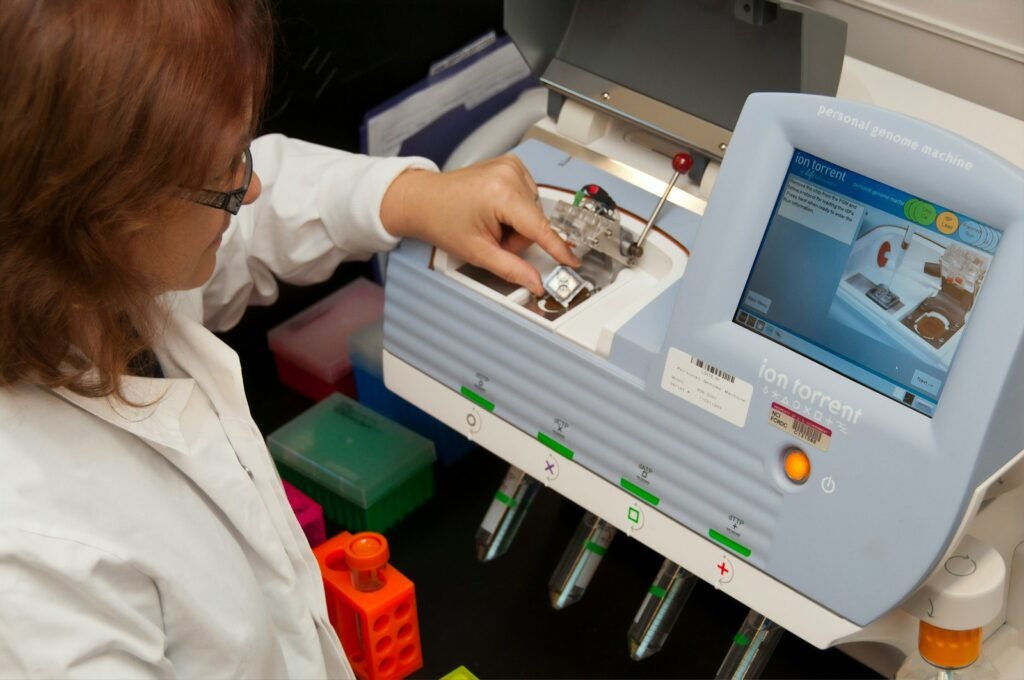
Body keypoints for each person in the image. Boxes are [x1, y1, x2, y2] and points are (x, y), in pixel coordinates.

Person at [0, 1, 577, 677]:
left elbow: (256, 209)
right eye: (224, 176)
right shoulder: (39, 576)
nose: (249, 189)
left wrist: (415, 195)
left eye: (239, 152)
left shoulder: (79, 268)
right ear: (99, 212)